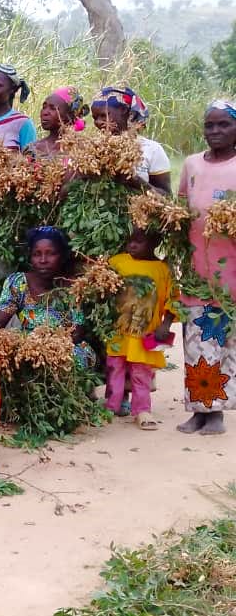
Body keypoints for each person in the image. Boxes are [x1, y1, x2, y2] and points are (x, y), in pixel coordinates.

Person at [177, 100, 236, 435]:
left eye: (224, 124)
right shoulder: (192, 165)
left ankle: (216, 415)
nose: (215, 131)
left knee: (224, 342)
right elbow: (181, 209)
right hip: (197, 270)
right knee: (196, 342)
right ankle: (200, 410)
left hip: (231, 274)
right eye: (210, 125)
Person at [0, 226, 95, 369]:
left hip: (66, 347)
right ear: (30, 257)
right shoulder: (18, 283)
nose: (43, 260)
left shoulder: (73, 285)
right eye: (37, 254)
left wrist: (51, 347)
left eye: (51, 254)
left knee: (79, 356)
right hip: (29, 347)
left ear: (62, 256)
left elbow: (78, 331)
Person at [105, 228, 177, 430]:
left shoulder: (162, 269)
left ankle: (142, 411)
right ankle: (111, 407)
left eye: (139, 241)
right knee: (114, 369)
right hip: (118, 333)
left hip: (144, 334)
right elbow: (101, 283)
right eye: (130, 241)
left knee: (141, 372)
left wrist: (166, 324)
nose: (132, 245)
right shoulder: (117, 262)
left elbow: (173, 299)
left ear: (154, 244)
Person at [89, 86, 171, 194]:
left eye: (104, 115)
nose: (98, 122)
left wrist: (135, 181)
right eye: (95, 118)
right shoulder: (92, 148)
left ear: (124, 111)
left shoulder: (151, 150)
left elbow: (167, 196)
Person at [30, 87, 87, 160]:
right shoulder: (33, 148)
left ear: (69, 115)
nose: (45, 112)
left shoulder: (81, 149)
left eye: (53, 108)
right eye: (44, 107)